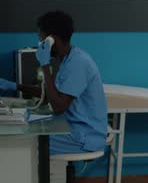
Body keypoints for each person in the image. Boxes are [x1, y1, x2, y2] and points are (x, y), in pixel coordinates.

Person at [0, 11, 107, 155]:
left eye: (41, 39)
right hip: (70, 128)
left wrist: (44, 66)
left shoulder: (78, 63)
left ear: (52, 40)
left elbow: (58, 106)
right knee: (24, 132)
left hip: (83, 137)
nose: (39, 44)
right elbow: (51, 94)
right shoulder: (67, 59)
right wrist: (14, 86)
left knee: (20, 143)